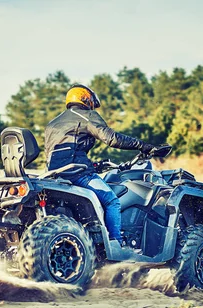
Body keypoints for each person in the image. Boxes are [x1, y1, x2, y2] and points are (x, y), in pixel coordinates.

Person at [44, 84, 155, 245]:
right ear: (86, 99)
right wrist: (142, 146)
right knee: (112, 201)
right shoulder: (86, 115)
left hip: (54, 175)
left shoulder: (53, 123)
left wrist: (93, 165)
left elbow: (64, 152)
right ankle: (116, 243)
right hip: (77, 174)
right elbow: (112, 138)